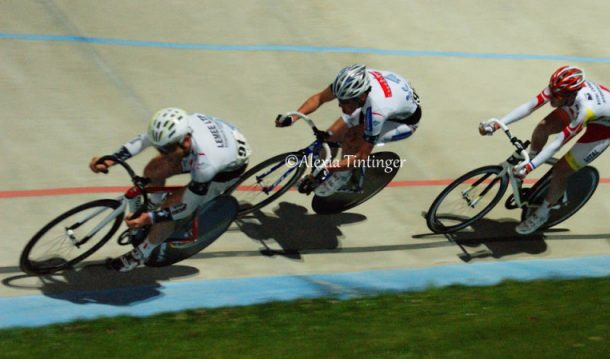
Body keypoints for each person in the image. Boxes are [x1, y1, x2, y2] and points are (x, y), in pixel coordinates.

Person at [90, 108, 251, 271]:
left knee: (170, 207)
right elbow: (143, 140)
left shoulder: (206, 165)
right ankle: (154, 203)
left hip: (225, 169)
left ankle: (142, 253)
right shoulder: (172, 131)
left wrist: (151, 218)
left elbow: (184, 207)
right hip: (216, 139)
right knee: (153, 170)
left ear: (185, 141)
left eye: (167, 150)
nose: (162, 154)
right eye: (160, 149)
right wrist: (110, 161)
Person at [479, 66, 610, 235]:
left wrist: (529, 167)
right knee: (542, 128)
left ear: (570, 94)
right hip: (576, 105)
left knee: (562, 169)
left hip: (605, 129)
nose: (552, 97)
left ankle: (542, 214)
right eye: (552, 91)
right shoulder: (560, 89)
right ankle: (531, 158)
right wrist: (498, 123)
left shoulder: (585, 109)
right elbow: (530, 106)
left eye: (557, 95)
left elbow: (558, 143)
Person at [275, 64, 422, 196]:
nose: (340, 105)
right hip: (390, 98)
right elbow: (319, 98)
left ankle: (344, 178)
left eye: (345, 102)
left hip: (402, 123)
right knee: (330, 136)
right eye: (339, 99)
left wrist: (329, 168)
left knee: (352, 137)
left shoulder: (377, 111)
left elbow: (361, 156)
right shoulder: (349, 83)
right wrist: (293, 117)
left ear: (362, 95)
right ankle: (320, 174)